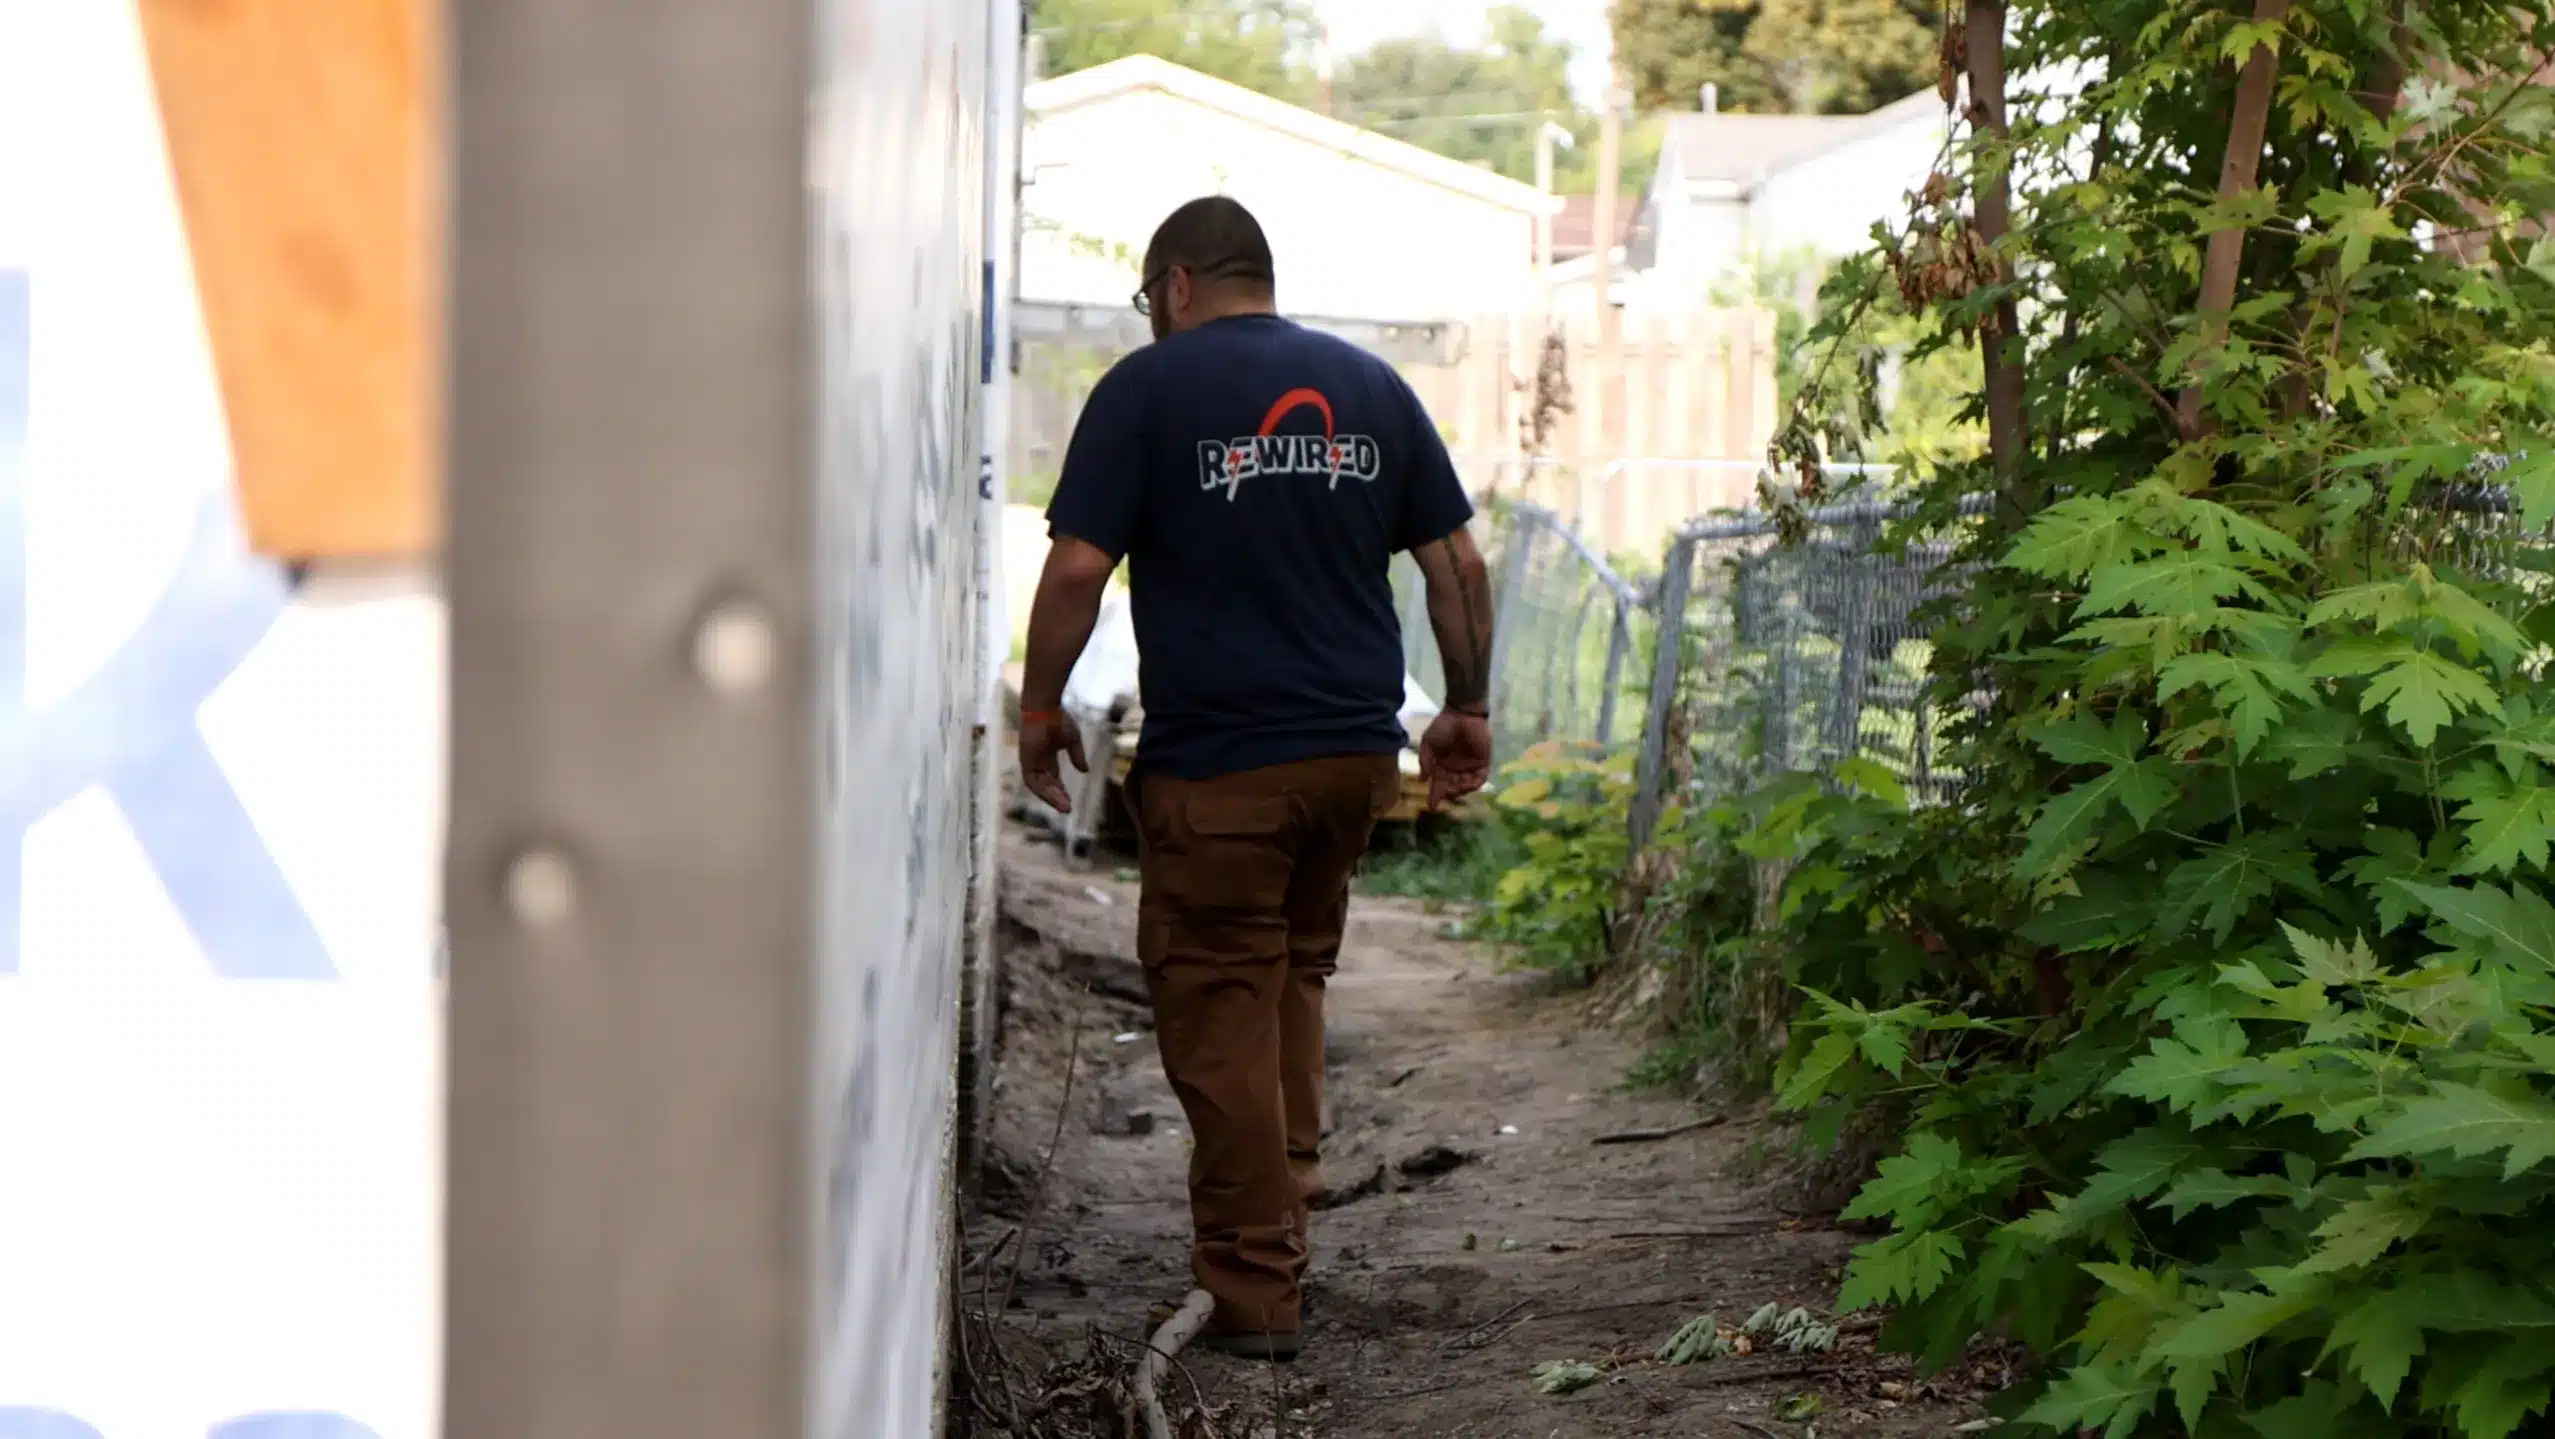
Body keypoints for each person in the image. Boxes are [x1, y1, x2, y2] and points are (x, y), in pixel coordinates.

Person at [1015, 196, 1496, 1362]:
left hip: (1222, 764)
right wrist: (1467, 707)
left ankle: (1254, 1287)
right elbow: (1457, 563)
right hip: (1347, 760)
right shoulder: (1369, 388)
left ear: (1175, 284)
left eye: (1148, 304)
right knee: (1289, 971)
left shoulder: (1145, 390)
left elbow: (1078, 569)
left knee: (1215, 999)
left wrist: (1036, 704)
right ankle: (1288, 1199)